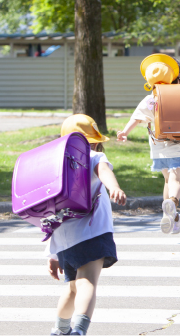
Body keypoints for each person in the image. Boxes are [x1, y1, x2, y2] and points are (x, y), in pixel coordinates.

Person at [47, 114, 127, 335]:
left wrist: (52, 254)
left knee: (72, 289)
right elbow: (104, 171)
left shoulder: (56, 166)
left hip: (64, 239)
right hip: (92, 232)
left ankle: (60, 330)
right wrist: (114, 188)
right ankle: (79, 331)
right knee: (87, 283)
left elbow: (50, 210)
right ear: (92, 141)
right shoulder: (93, 155)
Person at [117, 54, 180, 234]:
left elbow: (136, 118)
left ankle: (170, 218)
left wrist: (124, 133)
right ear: (177, 77)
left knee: (167, 179)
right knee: (175, 180)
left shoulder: (152, 98)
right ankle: (173, 201)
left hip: (159, 148)